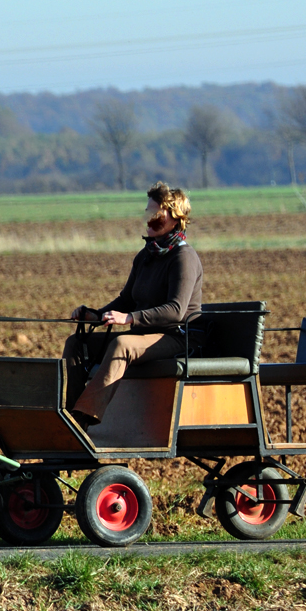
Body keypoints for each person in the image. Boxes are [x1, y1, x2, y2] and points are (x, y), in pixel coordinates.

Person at [65, 182, 203, 427]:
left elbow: (176, 310)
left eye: (156, 214)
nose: (149, 219)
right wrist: (96, 315)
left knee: (121, 343)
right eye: (148, 213)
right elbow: (126, 300)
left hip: (175, 337)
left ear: (175, 218)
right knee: (77, 343)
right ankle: (69, 411)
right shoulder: (146, 255)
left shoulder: (184, 257)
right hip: (145, 336)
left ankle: (81, 420)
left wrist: (129, 319)